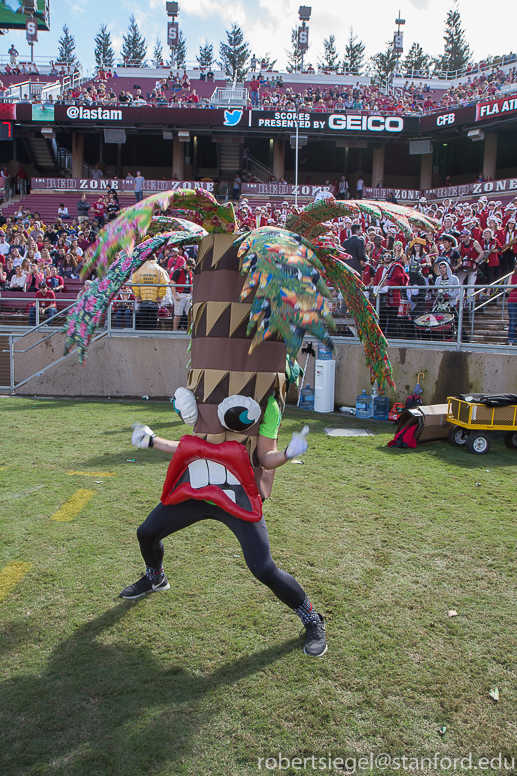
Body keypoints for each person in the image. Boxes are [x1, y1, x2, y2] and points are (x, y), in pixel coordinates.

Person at [120, 394, 327, 658]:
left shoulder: (267, 401)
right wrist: (152, 440)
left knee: (263, 567)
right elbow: (196, 446)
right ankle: (155, 577)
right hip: (198, 489)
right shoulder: (209, 388)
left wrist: (286, 454)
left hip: (236, 495)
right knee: (147, 533)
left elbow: (264, 456)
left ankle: (312, 620)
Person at [131, 255, 170, 330]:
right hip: (154, 299)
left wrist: (137, 295)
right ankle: (152, 334)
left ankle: (144, 335)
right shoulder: (159, 269)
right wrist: (160, 296)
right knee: (153, 320)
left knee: (144, 320)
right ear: (155, 258)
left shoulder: (139, 269)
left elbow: (134, 282)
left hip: (143, 298)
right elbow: (164, 283)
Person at [171, 257, 193, 331]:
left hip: (188, 295)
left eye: (192, 268)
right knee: (178, 313)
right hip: (179, 294)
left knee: (191, 313)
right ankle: (175, 330)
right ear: (186, 265)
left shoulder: (191, 273)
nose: (191, 269)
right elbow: (172, 284)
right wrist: (175, 295)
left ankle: (190, 330)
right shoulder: (178, 271)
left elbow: (191, 285)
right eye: (190, 267)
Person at [507, 267, 517, 345]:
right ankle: (510, 342)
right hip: (512, 302)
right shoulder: (512, 275)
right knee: (512, 322)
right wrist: (515, 285)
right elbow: (508, 289)